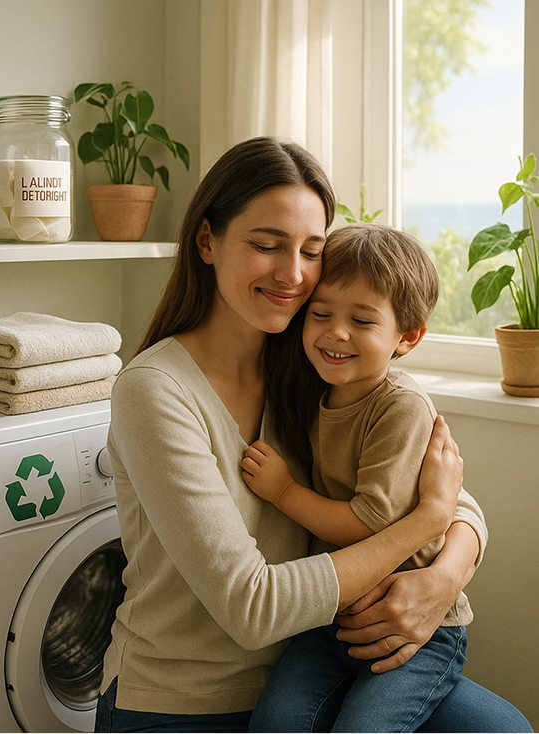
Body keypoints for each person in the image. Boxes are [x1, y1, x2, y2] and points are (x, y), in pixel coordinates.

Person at [96, 136, 532, 733]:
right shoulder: (154, 390)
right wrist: (427, 524)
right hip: (185, 697)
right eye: (267, 246)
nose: (294, 274)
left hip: (319, 661)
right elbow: (252, 607)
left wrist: (442, 578)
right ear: (206, 241)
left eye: (311, 250)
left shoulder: (311, 365)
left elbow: (441, 494)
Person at [241, 223, 470, 733]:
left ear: (406, 337)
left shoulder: (401, 407)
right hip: (334, 617)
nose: (336, 332)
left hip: (419, 628)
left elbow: (371, 522)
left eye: (362, 321)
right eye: (321, 314)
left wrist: (284, 492)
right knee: (275, 725)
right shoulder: (319, 390)